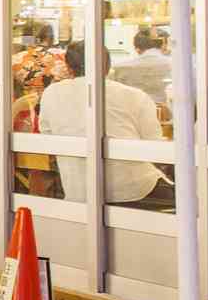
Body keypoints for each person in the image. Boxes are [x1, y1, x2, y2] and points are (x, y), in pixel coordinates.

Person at [36, 40, 172, 207]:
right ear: (108, 66)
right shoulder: (134, 95)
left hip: (79, 191)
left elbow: (48, 135)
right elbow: (154, 147)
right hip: (134, 190)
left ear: (69, 68)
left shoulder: (52, 93)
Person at [117, 27, 173, 110]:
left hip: (132, 117)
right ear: (164, 44)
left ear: (137, 49)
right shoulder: (176, 66)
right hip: (168, 118)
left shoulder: (119, 68)